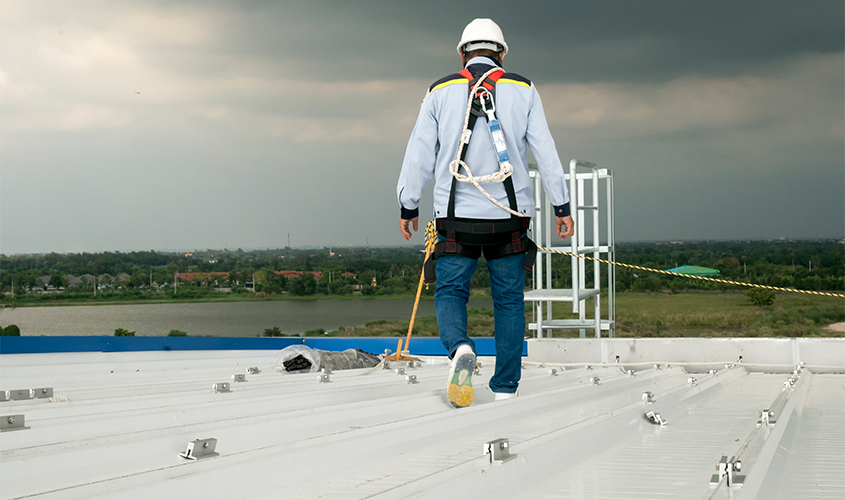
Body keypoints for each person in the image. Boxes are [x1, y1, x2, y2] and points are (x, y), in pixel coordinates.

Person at [396, 18, 574, 408]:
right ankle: (505, 387)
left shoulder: (440, 91)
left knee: (451, 291)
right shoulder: (523, 89)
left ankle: (460, 347)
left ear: (462, 54)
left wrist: (408, 205)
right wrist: (561, 205)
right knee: (508, 300)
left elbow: (419, 155)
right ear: (502, 54)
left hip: (455, 219)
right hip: (509, 218)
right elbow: (545, 151)